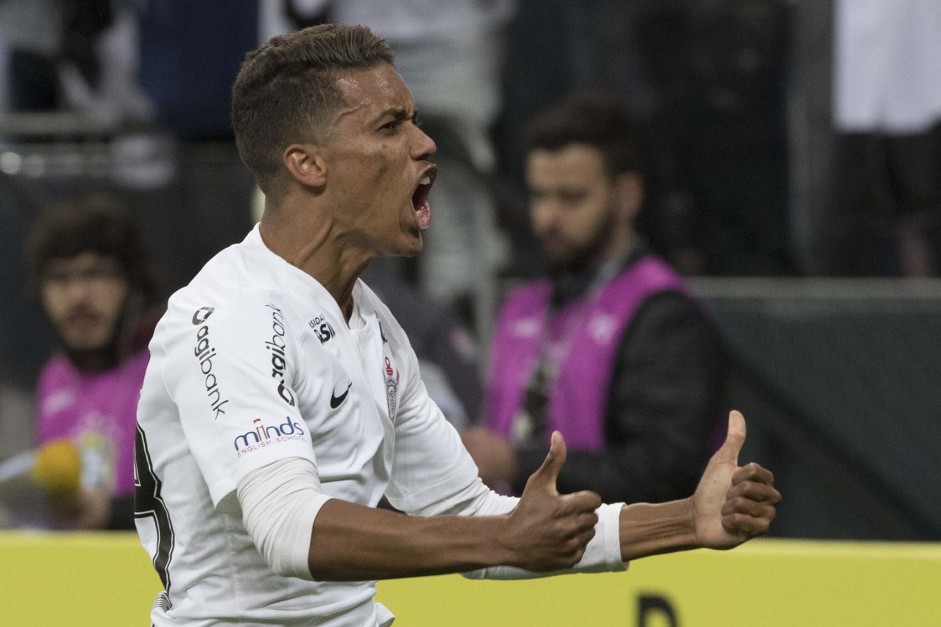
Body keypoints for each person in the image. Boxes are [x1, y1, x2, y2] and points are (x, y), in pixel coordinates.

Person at [135, 25, 780, 626]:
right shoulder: (231, 315)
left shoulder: (374, 330)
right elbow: (288, 531)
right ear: (308, 164)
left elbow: (472, 514)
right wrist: (503, 536)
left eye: (414, 120)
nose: (424, 143)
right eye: (391, 126)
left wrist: (688, 521)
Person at [462, 90, 729, 505]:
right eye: (539, 195)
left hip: (630, 562)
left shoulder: (663, 314)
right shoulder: (521, 305)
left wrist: (517, 462)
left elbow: (667, 474)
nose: (547, 217)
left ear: (626, 196)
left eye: (571, 197)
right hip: (515, 554)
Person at [24, 194, 164, 529]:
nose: (77, 296)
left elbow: (202, 506)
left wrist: (112, 516)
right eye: (60, 278)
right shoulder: (54, 377)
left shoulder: (166, 367)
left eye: (95, 273)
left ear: (132, 284)